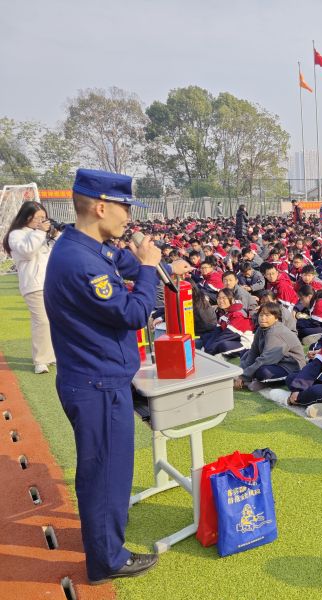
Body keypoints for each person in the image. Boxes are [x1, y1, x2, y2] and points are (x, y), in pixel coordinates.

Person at [44, 168, 190, 583]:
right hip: (98, 384)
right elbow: (133, 313)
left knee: (102, 470)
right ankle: (107, 559)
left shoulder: (87, 247)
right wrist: (147, 270)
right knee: (106, 475)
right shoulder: (80, 262)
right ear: (100, 205)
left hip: (95, 376)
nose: (129, 217)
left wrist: (154, 262)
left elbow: (119, 259)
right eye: (125, 207)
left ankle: (101, 544)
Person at [3, 200, 57, 373]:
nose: (42, 221)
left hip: (51, 283)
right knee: (42, 321)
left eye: (44, 218)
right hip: (34, 285)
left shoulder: (41, 234)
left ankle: (52, 356)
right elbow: (27, 251)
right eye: (38, 218)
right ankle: (40, 360)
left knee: (54, 321)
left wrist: (55, 235)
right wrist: (41, 233)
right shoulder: (16, 234)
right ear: (27, 217)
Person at [237, 302, 306, 389]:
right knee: (246, 353)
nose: (263, 318)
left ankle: (260, 382)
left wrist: (244, 376)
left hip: (290, 367)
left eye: (267, 315)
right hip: (275, 362)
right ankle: (254, 381)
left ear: (276, 318)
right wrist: (238, 373)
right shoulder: (260, 329)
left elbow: (266, 360)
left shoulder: (276, 332)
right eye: (261, 315)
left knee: (262, 372)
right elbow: (253, 352)